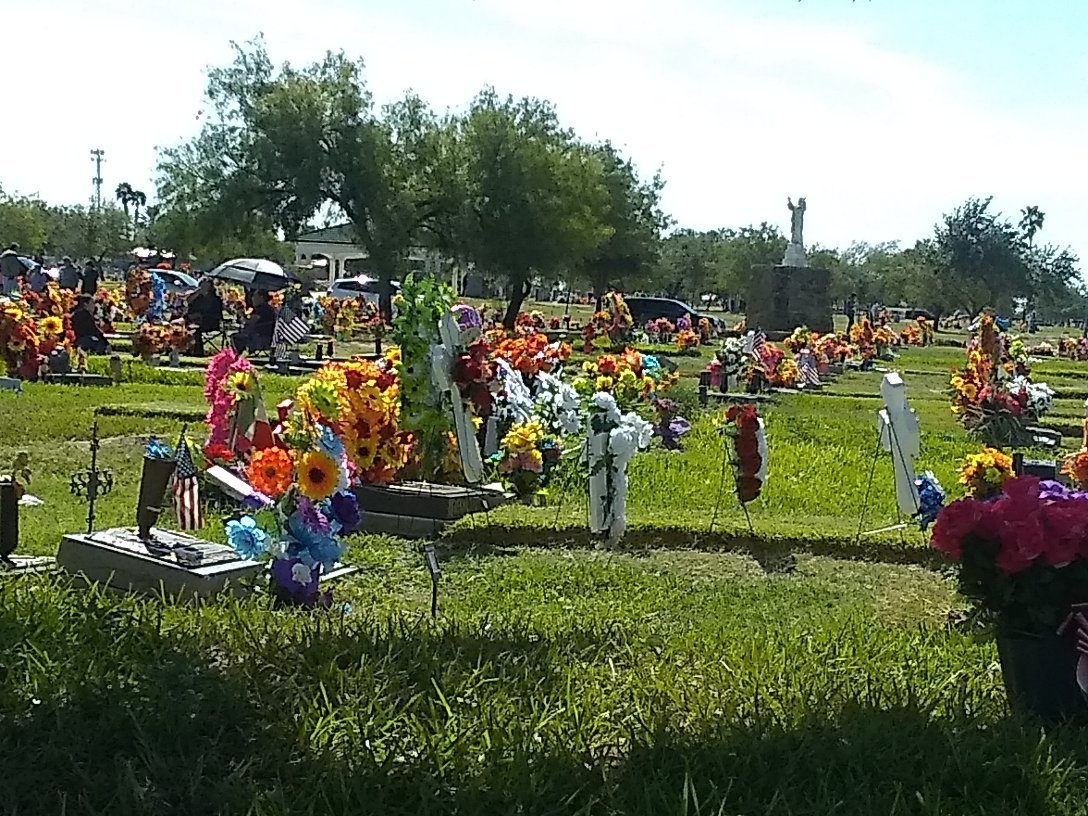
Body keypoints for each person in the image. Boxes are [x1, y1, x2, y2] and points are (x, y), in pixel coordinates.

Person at [186, 277, 224, 356]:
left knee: (196, 330)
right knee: (179, 325)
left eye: (205, 285)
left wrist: (200, 316)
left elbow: (216, 314)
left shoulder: (215, 299)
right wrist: (197, 292)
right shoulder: (197, 297)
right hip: (194, 320)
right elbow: (188, 301)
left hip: (210, 322)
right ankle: (179, 348)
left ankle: (198, 352)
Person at [231, 289, 276, 353]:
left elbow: (250, 322)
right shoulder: (267, 308)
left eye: (254, 296)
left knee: (235, 337)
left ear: (261, 298)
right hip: (265, 336)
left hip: (260, 338)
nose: (252, 298)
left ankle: (236, 357)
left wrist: (241, 314)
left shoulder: (263, 309)